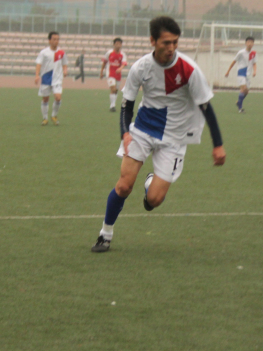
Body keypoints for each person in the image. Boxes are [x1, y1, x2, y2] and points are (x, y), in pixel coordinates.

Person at [91, 16, 226, 253]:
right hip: (142, 131)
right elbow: (127, 104)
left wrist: (218, 144)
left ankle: (150, 182)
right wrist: (125, 132)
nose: (171, 48)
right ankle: (105, 234)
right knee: (123, 186)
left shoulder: (189, 69)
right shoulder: (140, 67)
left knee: (153, 200)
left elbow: (206, 107)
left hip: (173, 139)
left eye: (175, 42)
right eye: (166, 43)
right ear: (152, 41)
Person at [35, 31, 68, 126]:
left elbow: (64, 63)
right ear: (49, 40)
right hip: (46, 77)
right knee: (45, 99)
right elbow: (38, 64)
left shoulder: (61, 52)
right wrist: (37, 75)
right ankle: (45, 118)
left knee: (58, 98)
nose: (56, 41)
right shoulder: (44, 52)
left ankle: (54, 115)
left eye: (57, 39)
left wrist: (65, 70)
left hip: (57, 78)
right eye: (54, 39)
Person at [224, 37, 257, 113]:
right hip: (241, 72)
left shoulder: (253, 53)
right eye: (248, 42)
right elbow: (234, 61)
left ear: (253, 44)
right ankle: (240, 109)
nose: (250, 44)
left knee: (246, 92)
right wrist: (228, 71)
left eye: (251, 42)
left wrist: (255, 71)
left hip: (248, 74)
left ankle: (239, 102)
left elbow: (254, 63)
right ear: (245, 43)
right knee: (243, 88)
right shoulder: (241, 52)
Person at [100, 38, 128, 112]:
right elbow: (104, 62)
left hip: (118, 74)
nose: (118, 45)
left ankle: (113, 104)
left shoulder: (122, 54)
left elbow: (124, 63)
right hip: (110, 73)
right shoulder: (109, 53)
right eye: (117, 43)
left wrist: (120, 68)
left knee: (116, 90)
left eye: (120, 44)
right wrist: (101, 72)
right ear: (114, 44)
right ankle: (112, 106)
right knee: (113, 88)